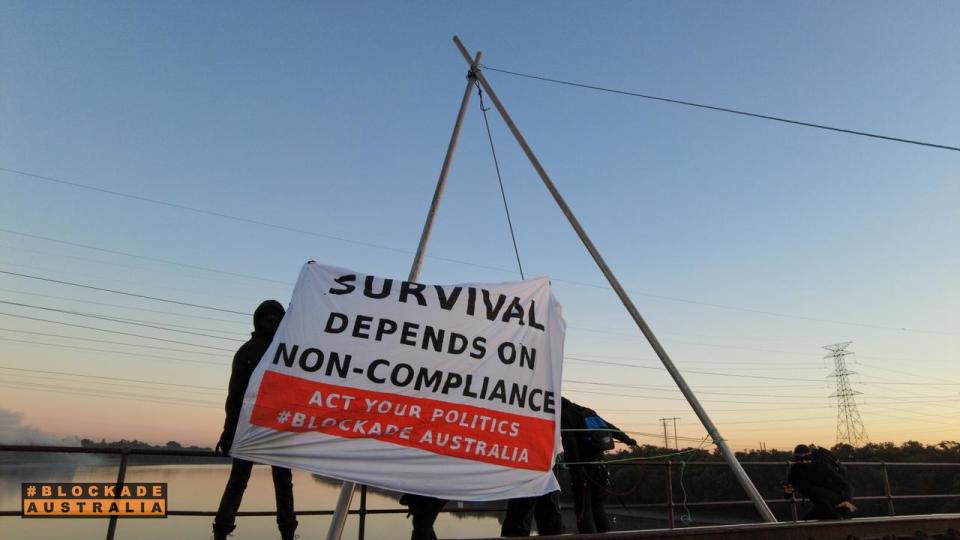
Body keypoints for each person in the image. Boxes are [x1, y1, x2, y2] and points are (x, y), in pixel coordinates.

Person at [212, 300, 298, 540]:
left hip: (276, 429)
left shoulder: (288, 350)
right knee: (240, 481)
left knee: (282, 484)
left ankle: (288, 533)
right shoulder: (249, 351)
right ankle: (221, 530)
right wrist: (229, 432)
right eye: (267, 316)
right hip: (249, 428)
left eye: (276, 316)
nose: (271, 320)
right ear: (258, 320)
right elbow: (236, 396)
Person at [560, 397, 638, 534]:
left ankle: (587, 536)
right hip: (599, 466)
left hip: (583, 468)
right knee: (598, 506)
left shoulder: (566, 416)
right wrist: (628, 440)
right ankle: (605, 535)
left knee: (583, 508)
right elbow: (609, 427)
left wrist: (575, 466)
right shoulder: (588, 411)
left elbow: (570, 443)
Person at [783, 444, 856, 520]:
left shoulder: (820, 466)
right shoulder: (795, 470)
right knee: (808, 521)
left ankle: (836, 521)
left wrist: (847, 501)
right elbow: (788, 492)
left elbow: (846, 485)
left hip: (838, 503)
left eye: (805, 459)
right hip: (822, 504)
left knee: (823, 515)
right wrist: (787, 492)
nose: (803, 462)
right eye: (800, 459)